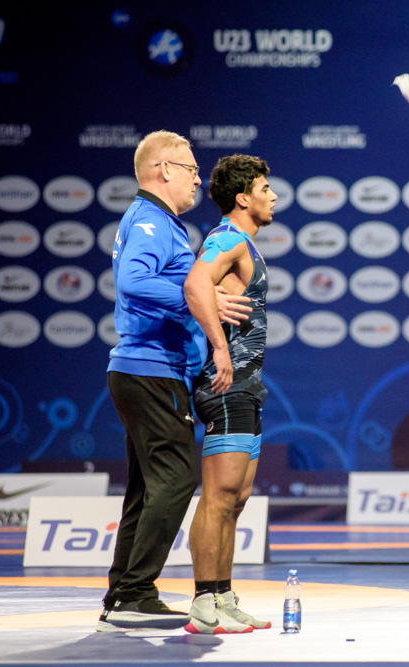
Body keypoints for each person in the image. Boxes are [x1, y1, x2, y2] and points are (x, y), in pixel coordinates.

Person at [100, 131, 251, 632]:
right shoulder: (149, 220)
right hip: (150, 370)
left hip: (146, 370)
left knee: (147, 488)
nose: (197, 179)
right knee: (177, 479)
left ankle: (125, 597)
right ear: (164, 169)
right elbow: (133, 282)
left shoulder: (159, 222)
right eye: (191, 169)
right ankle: (134, 593)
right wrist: (199, 296)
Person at [182, 154, 277, 633]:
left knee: (236, 500)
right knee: (219, 497)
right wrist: (220, 349)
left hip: (247, 386)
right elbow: (195, 282)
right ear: (242, 198)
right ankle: (203, 603)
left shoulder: (245, 244)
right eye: (264, 189)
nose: (273, 196)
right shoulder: (228, 238)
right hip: (225, 385)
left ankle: (223, 597)